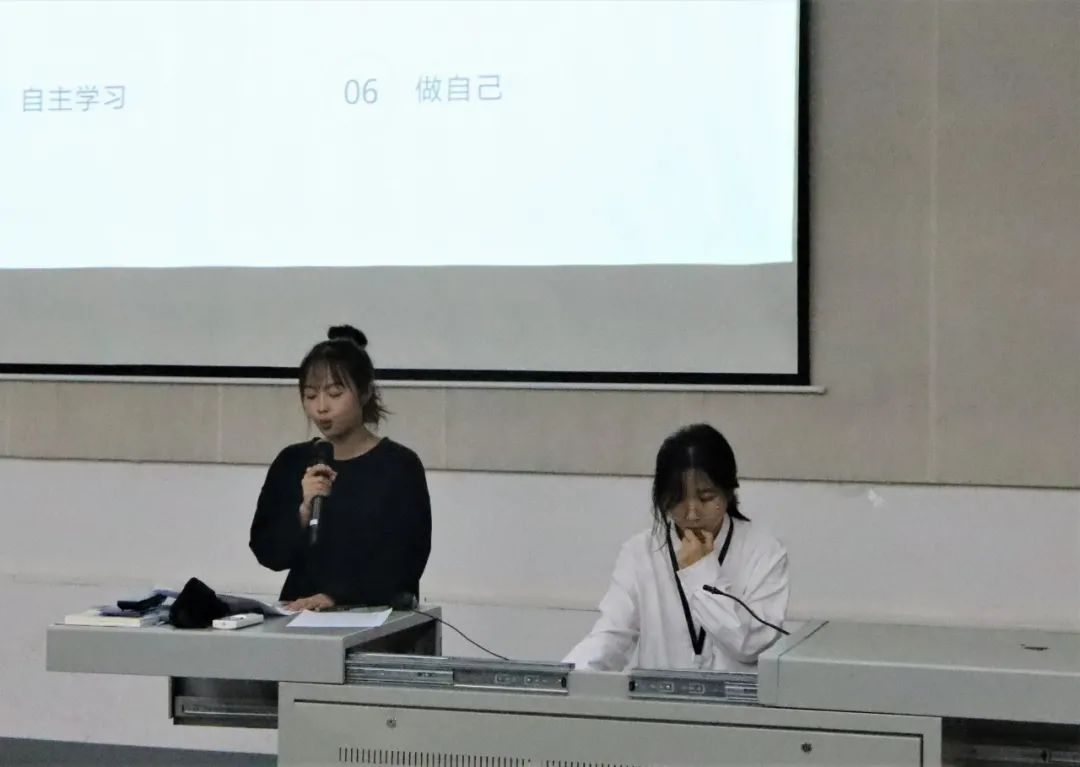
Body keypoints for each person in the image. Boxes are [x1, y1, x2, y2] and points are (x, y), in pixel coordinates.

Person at [565, 424, 789, 671]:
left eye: (706, 498)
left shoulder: (764, 551)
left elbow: (751, 646)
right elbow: (612, 635)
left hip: (737, 695)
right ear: (662, 499)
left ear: (728, 492)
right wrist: (568, 676)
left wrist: (701, 572)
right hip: (660, 694)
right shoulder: (640, 551)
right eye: (678, 498)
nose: (692, 513)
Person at [249, 325, 431, 612]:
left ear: (365, 392)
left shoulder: (399, 465)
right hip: (299, 613)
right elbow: (268, 552)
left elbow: (408, 558)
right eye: (310, 396)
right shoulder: (292, 461)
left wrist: (337, 596)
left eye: (334, 393)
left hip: (375, 614)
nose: (321, 407)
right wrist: (302, 512)